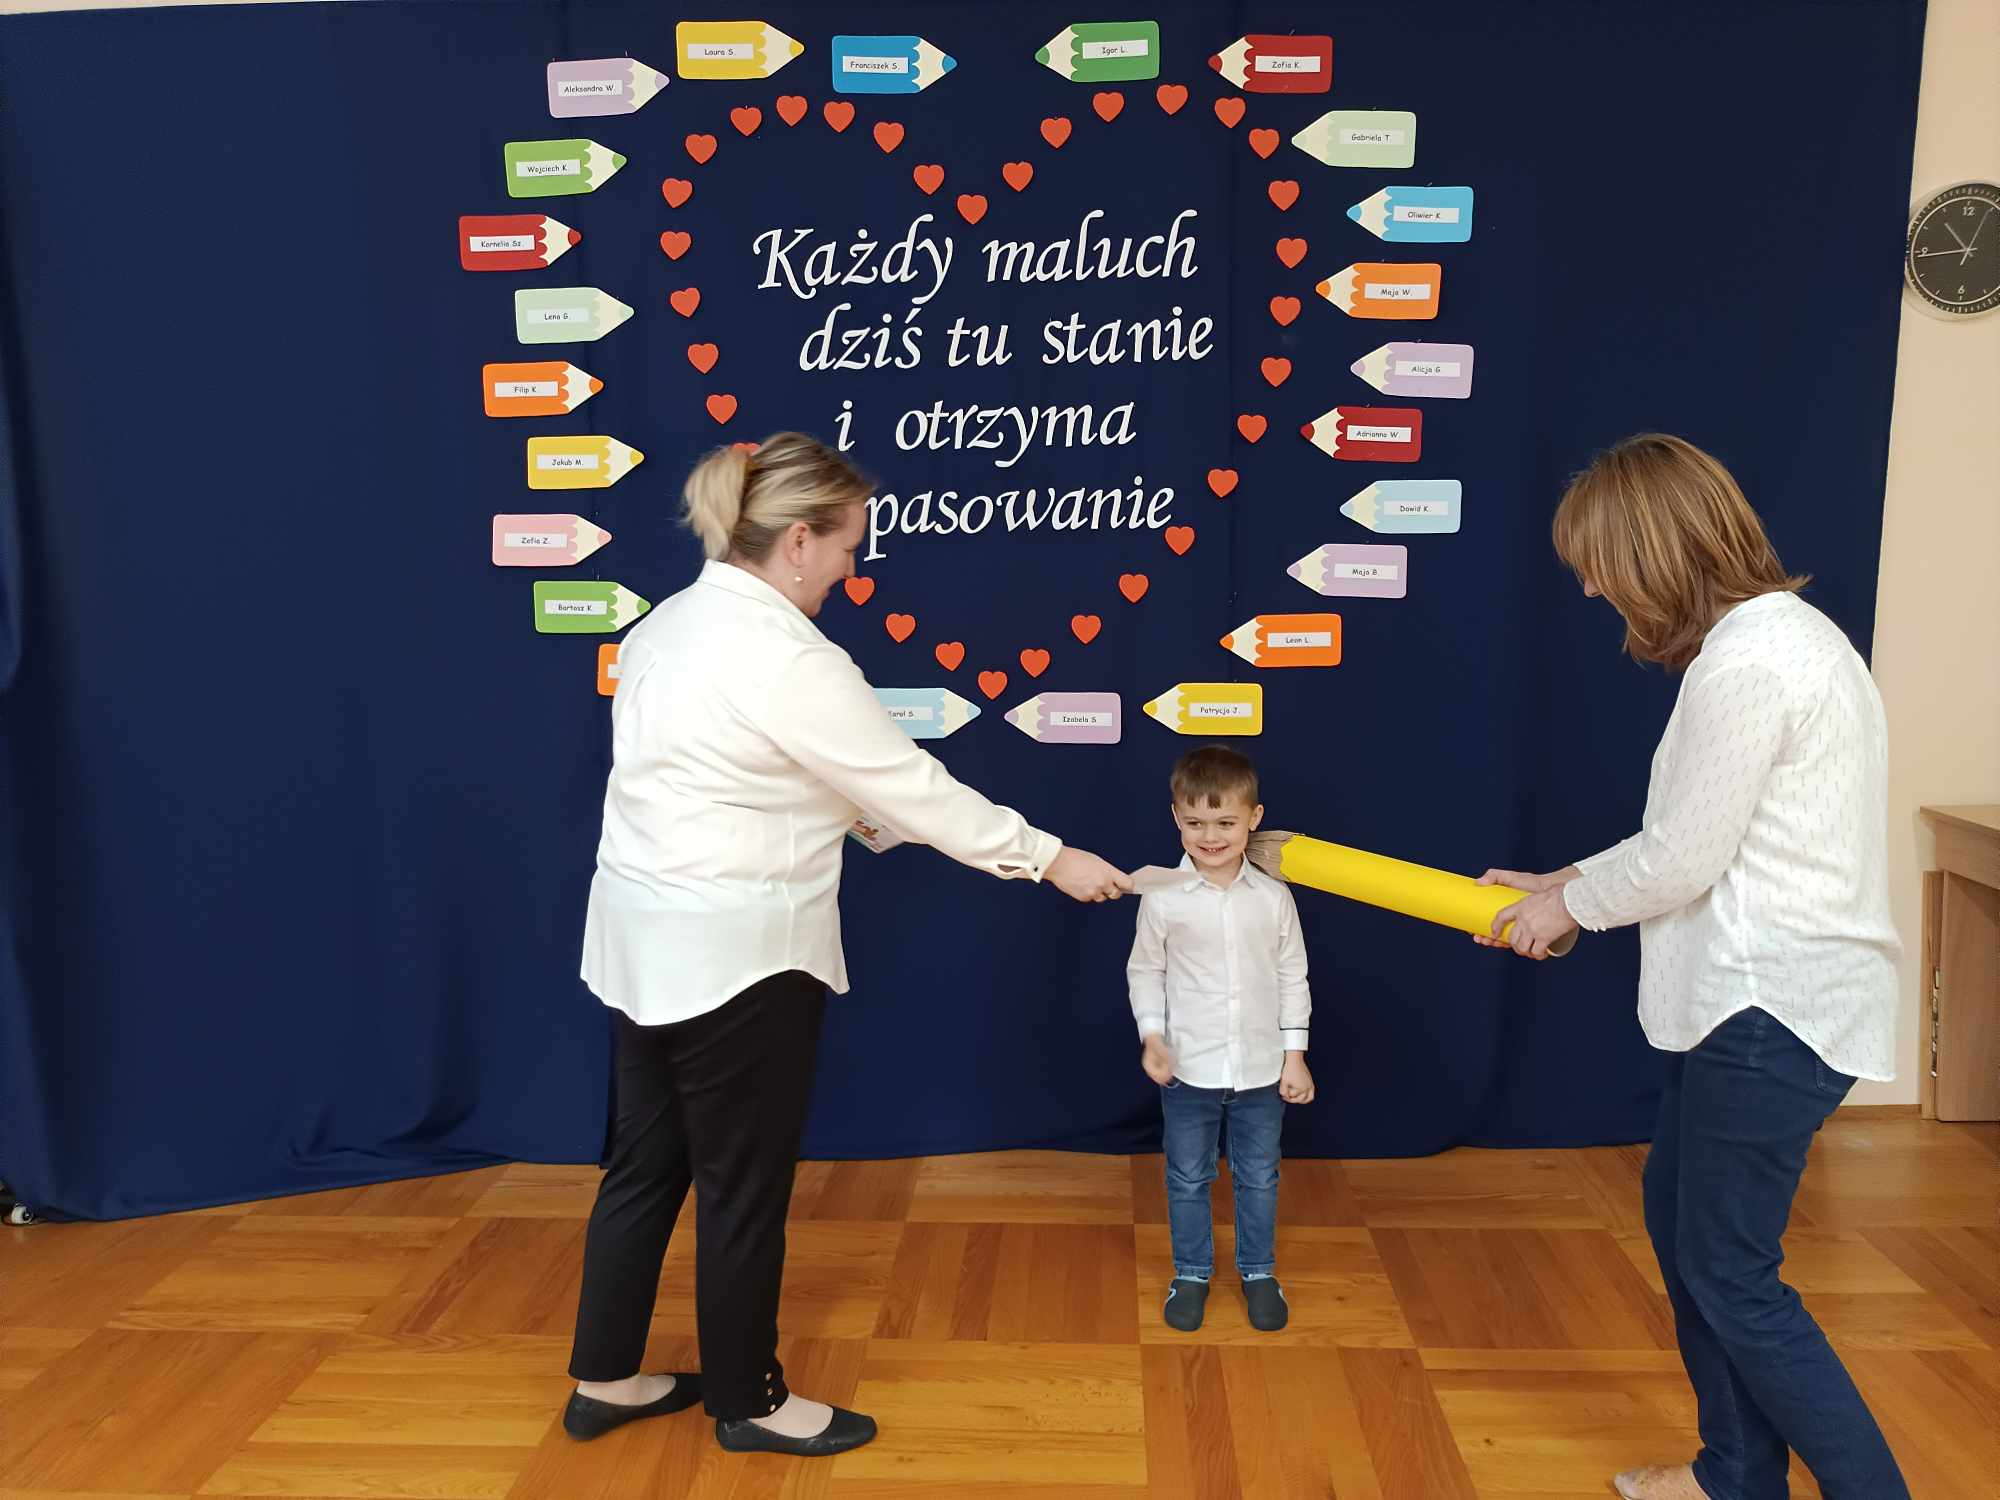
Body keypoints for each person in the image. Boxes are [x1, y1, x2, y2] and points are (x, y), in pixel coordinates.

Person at [563, 433, 1133, 1458]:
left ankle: (605, 1377)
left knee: (645, 1164)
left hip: (640, 942)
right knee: (743, 1187)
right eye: (845, 545)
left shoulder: (664, 626)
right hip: (741, 960)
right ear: (795, 541)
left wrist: (898, 824)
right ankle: (749, 1400)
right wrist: (1048, 858)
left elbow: (778, 779)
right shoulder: (790, 657)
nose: (851, 566)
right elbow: (907, 786)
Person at [1475, 434, 1909, 1500]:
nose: (1589, 588)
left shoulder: (1749, 665)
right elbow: (1692, 833)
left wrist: (1564, 912)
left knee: (1731, 1274)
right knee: (1685, 1237)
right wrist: (1562, 880)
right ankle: (1735, 1476)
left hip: (1768, 1011)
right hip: (1747, 1008)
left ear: (1652, 552)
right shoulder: (1778, 641)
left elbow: (1680, 860)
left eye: (1597, 564)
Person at [1127, 746, 1315, 1333]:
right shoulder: (1162, 895)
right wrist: (1152, 1036)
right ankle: (1191, 1273)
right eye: (1196, 823)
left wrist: (1295, 1056)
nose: (1210, 837)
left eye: (1225, 823)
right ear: (1176, 817)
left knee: (1259, 1176)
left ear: (1253, 819)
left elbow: (1292, 976)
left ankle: (1258, 1271)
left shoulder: (1274, 898)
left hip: (1261, 1069)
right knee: (1188, 1176)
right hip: (1188, 1069)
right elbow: (1146, 970)